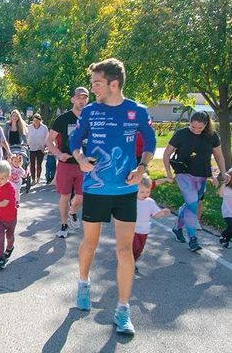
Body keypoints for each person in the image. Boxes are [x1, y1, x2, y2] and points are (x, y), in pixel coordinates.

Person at [69, 58, 157, 335]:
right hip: (95, 188)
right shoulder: (90, 112)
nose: (93, 89)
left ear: (113, 84)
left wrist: (141, 167)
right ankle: (83, 283)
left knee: (124, 250)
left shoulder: (137, 111)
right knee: (90, 244)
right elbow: (75, 140)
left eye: (97, 83)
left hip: (125, 191)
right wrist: (80, 158)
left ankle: (122, 310)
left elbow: (151, 142)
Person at [163, 111, 230, 251]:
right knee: (192, 203)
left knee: (190, 204)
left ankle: (177, 228)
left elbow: (218, 155)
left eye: (200, 128)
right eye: (193, 127)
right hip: (183, 174)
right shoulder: (181, 134)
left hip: (202, 176)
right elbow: (167, 153)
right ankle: (193, 239)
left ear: (206, 125)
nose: (196, 130)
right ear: (190, 122)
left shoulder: (212, 136)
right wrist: (169, 172)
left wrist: (223, 173)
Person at [48, 87, 90, 238]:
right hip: (66, 164)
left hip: (84, 165)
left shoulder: (91, 118)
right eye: (79, 97)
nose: (82, 100)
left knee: (81, 197)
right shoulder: (63, 119)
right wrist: (59, 154)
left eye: (85, 97)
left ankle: (73, 212)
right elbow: (49, 140)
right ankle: (64, 225)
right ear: (73, 99)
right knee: (65, 196)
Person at [133, 175, 171, 273]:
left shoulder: (150, 202)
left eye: (148, 192)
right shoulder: (131, 200)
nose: (145, 194)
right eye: (142, 192)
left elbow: (156, 214)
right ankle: (128, 262)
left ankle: (133, 261)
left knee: (139, 250)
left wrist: (162, 212)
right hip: (132, 229)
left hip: (144, 230)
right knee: (133, 247)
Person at [27, 113, 48, 184]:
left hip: (40, 148)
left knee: (39, 164)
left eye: (37, 121)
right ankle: (33, 179)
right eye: (34, 120)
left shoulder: (44, 128)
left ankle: (38, 177)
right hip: (31, 148)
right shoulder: (29, 127)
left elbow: (47, 138)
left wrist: (45, 146)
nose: (35, 122)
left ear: (40, 121)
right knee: (32, 164)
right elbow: (26, 136)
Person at [218, 168, 232, 249]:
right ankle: (223, 236)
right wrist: (224, 183)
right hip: (227, 212)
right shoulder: (225, 188)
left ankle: (226, 242)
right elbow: (220, 194)